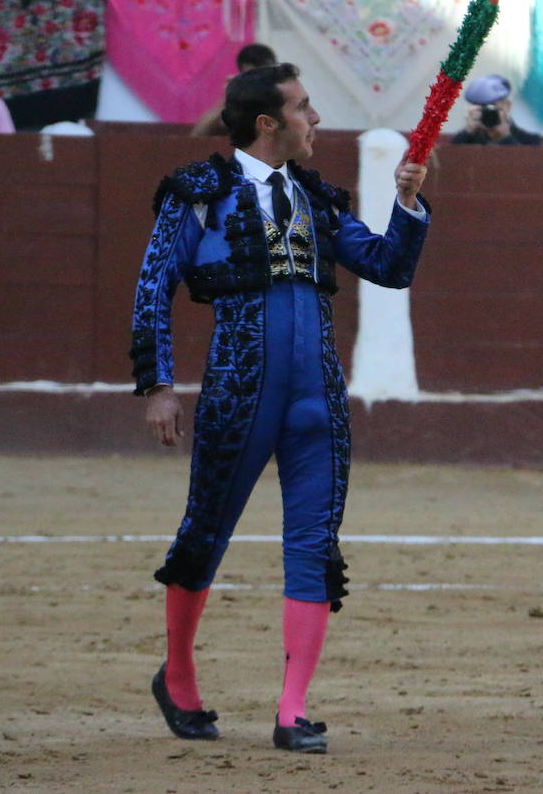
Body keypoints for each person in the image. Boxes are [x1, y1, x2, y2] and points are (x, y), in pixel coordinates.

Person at [133, 63, 430, 754]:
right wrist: (157, 386)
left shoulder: (318, 200)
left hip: (317, 400)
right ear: (268, 123)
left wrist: (407, 205)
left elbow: (390, 266)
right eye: (303, 107)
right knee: (205, 533)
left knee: (314, 545)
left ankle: (293, 709)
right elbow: (153, 288)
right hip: (238, 394)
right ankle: (177, 676)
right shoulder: (199, 194)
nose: (315, 118)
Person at [190, 42, 277, 137]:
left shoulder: (284, 97)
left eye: (263, 75)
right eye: (251, 76)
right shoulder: (236, 106)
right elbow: (197, 135)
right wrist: (229, 98)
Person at [451, 73, 543, 145]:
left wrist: (506, 137)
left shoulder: (531, 141)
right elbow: (450, 160)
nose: (488, 112)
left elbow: (523, 164)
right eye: (482, 108)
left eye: (491, 107)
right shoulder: (466, 139)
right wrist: (468, 132)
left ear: (507, 106)